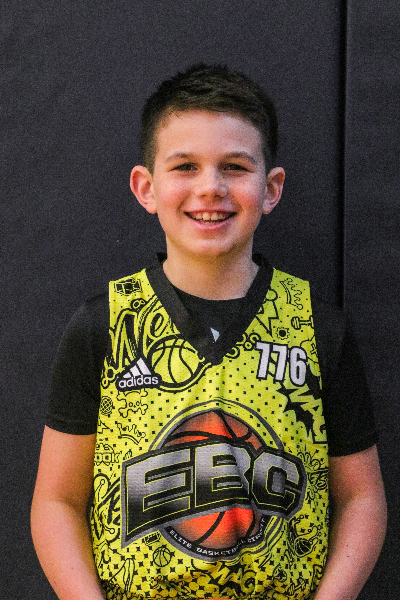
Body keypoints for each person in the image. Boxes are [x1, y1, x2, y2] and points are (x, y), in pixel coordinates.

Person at [31, 64, 386, 600]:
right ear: (146, 188)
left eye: (235, 167)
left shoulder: (316, 326)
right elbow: (56, 501)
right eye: (185, 166)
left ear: (271, 188)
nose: (210, 188)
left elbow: (361, 498)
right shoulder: (103, 325)